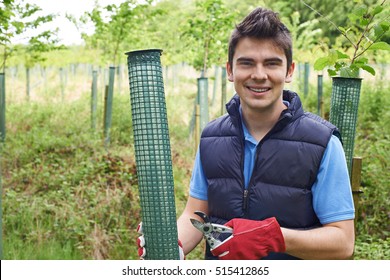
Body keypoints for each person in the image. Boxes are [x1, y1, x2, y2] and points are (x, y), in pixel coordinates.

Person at [138, 7, 355, 260]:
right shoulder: (211, 137)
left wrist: (273, 237)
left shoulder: (321, 142)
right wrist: (169, 244)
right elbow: (195, 215)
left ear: (289, 71)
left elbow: (342, 242)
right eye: (247, 63)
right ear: (230, 70)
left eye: (271, 64)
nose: (259, 75)